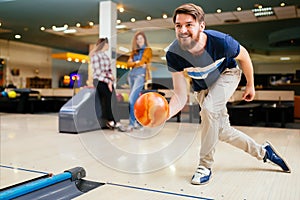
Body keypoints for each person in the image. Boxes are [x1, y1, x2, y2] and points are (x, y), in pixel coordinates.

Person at [166, 3, 291, 185]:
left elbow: (245, 56)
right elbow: (179, 94)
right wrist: (166, 114)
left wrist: (250, 85)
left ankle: (205, 165)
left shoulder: (221, 42)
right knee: (222, 131)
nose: (183, 30)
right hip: (202, 87)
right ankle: (264, 152)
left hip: (227, 75)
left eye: (189, 25)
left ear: (202, 26)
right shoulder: (173, 54)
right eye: (178, 25)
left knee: (209, 111)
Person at [90, 37, 125, 132]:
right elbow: (99, 72)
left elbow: (108, 70)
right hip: (99, 80)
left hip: (107, 81)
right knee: (108, 98)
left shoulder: (105, 56)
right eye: (107, 44)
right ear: (103, 45)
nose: (108, 45)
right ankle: (111, 121)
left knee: (113, 99)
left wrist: (110, 80)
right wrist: (108, 81)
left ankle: (116, 121)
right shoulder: (95, 56)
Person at [126, 31, 153, 131]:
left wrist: (135, 62)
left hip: (140, 76)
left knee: (131, 99)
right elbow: (128, 64)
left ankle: (132, 123)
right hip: (131, 76)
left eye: (141, 38)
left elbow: (142, 62)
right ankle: (138, 122)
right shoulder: (134, 51)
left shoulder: (147, 50)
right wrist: (137, 63)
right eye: (137, 39)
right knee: (136, 100)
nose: (139, 41)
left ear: (144, 39)